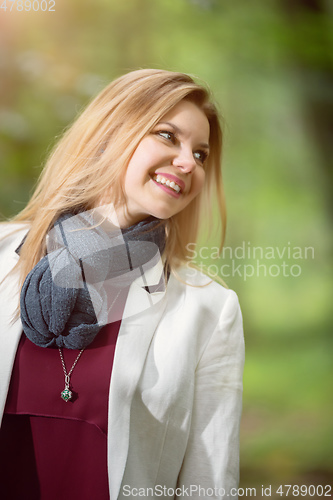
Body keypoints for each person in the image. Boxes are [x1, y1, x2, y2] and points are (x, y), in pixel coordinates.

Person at [0, 69, 245, 500]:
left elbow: (209, 483)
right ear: (111, 134)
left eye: (201, 154)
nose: (189, 162)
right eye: (168, 136)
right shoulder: (3, 256)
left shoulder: (208, 310)